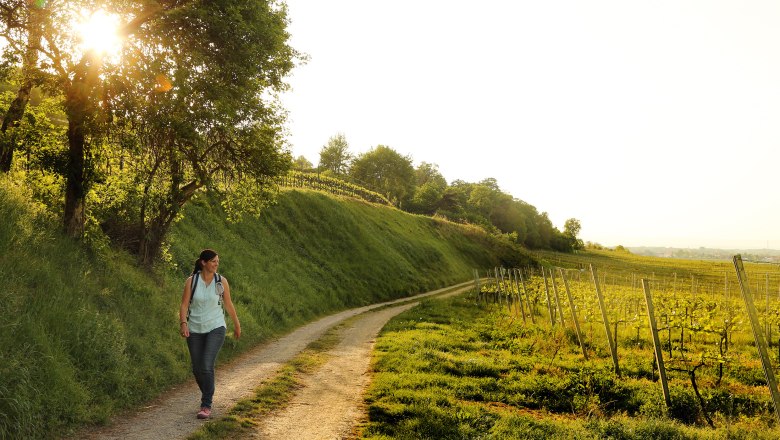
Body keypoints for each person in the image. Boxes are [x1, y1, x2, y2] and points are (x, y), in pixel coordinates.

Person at [179, 249, 241, 419]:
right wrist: (183, 323)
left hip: (216, 326)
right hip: (194, 328)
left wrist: (236, 324)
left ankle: (206, 404)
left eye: (217, 261)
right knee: (197, 369)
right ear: (203, 262)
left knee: (206, 365)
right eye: (213, 261)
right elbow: (184, 305)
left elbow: (228, 304)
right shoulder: (192, 281)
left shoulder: (221, 281)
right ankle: (208, 391)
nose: (216, 264)